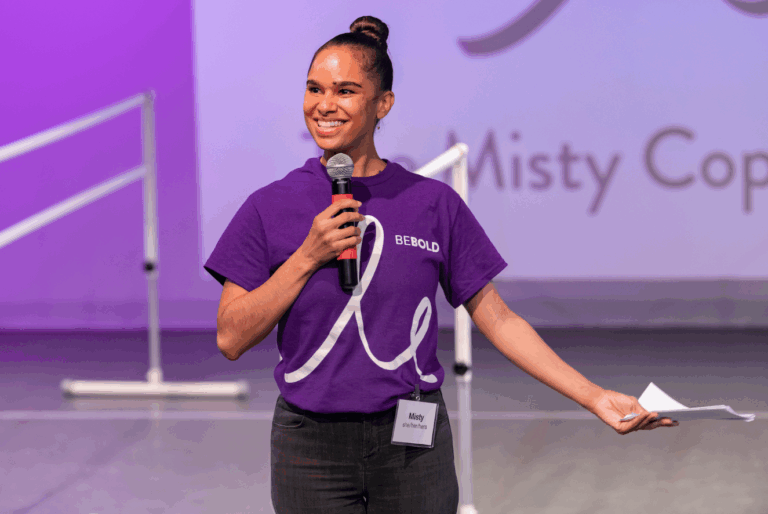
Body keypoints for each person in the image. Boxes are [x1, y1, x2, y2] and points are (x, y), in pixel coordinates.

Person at [204, 15, 678, 514]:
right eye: (313, 88)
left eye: (345, 90)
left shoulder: (432, 202)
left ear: (383, 103)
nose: (324, 105)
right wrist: (307, 256)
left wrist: (594, 396)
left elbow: (497, 318)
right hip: (309, 446)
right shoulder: (269, 206)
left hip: (413, 438)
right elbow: (230, 338)